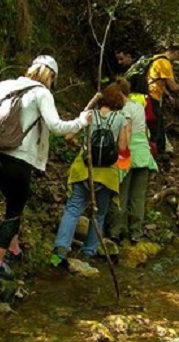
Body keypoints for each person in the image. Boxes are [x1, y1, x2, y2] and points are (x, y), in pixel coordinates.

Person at [0, 55, 92, 280]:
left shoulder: (6, 86)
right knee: (14, 210)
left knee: (13, 204)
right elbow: (56, 126)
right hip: (19, 160)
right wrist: (82, 121)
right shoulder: (42, 93)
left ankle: (14, 250)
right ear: (50, 75)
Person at [52, 78, 129, 264]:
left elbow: (69, 135)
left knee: (72, 210)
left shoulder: (89, 114)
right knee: (99, 214)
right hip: (107, 175)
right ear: (120, 99)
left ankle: (60, 252)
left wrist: (79, 144)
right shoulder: (121, 120)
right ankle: (88, 253)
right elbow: (123, 147)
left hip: (84, 169)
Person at [108, 79, 158, 244]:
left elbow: (127, 131)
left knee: (121, 194)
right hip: (144, 155)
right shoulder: (138, 105)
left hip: (129, 155)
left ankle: (116, 231)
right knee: (138, 197)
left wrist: (121, 154)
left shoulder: (125, 109)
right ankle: (136, 232)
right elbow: (143, 130)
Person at [147, 45, 179, 156]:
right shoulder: (165, 63)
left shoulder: (156, 58)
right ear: (175, 52)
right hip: (153, 97)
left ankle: (159, 149)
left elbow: (157, 79)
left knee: (155, 123)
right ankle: (158, 152)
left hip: (147, 94)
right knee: (156, 125)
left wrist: (168, 95)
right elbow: (173, 86)